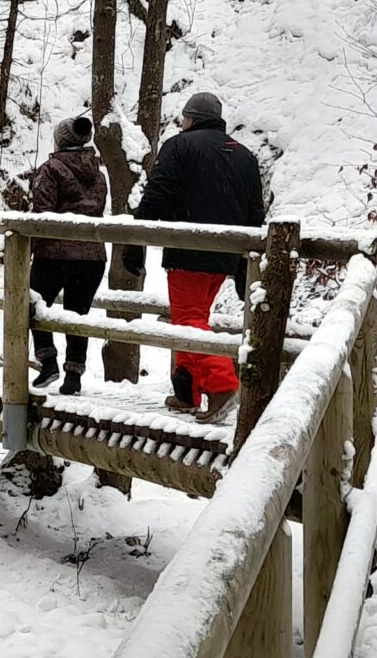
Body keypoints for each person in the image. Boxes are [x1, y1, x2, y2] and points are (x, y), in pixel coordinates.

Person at [123, 89, 265, 421]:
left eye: (184, 118)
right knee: (193, 317)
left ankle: (221, 385)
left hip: (189, 249)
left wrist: (135, 240)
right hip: (225, 254)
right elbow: (255, 213)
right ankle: (187, 392)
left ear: (191, 119)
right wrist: (245, 260)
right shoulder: (244, 155)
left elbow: (159, 193)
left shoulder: (180, 146)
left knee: (187, 321)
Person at [25, 114, 107, 396]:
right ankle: (74, 376)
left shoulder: (51, 169)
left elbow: (42, 213)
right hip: (92, 256)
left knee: (30, 303)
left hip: (55, 253)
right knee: (78, 314)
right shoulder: (98, 172)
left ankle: (48, 362)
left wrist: (29, 248)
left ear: (60, 140)